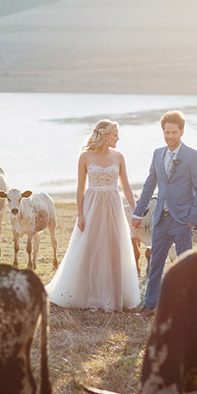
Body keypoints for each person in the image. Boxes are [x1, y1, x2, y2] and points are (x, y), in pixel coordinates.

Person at [45, 119, 141, 311]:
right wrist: (80, 214)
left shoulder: (119, 157)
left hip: (113, 205)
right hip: (92, 205)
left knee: (114, 246)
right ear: (105, 136)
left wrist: (136, 211)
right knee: (91, 247)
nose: (118, 138)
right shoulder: (85, 157)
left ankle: (112, 296)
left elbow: (126, 186)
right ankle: (90, 296)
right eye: (115, 135)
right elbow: (80, 188)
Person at [132, 110, 197, 317]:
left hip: (182, 220)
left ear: (182, 132)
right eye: (166, 132)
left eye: (174, 132)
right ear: (162, 131)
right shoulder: (157, 154)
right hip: (160, 220)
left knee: (185, 265)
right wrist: (138, 213)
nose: (170, 137)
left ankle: (187, 306)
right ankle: (150, 305)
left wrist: (191, 220)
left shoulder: (193, 156)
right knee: (155, 262)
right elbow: (149, 185)